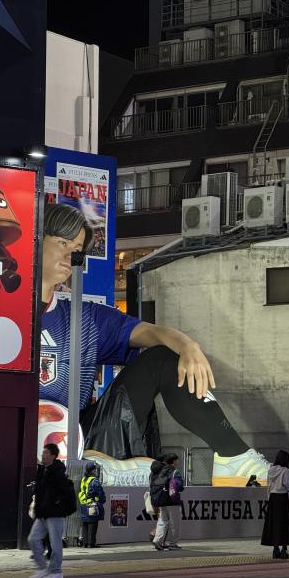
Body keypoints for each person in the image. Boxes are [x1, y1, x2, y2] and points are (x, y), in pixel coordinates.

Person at [39, 204, 269, 487]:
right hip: (18, 443)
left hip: (81, 440)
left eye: (76, 248)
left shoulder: (84, 318)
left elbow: (150, 332)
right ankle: (86, 467)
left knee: (163, 358)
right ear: (36, 240)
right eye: (62, 243)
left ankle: (234, 460)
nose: (70, 255)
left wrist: (187, 346)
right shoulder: (0, 316)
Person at [29, 443, 76, 578]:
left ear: (53, 456)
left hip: (55, 514)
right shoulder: (42, 470)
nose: (43, 455)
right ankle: (42, 567)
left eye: (46, 453)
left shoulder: (58, 472)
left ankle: (56, 571)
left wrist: (58, 505)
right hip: (43, 513)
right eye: (43, 453)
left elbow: (67, 492)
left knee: (55, 544)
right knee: (33, 539)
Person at [261, 450, 289, 560]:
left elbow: (268, 486)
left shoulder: (271, 470)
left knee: (274, 525)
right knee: (284, 524)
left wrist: (269, 498)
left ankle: (275, 550)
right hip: (282, 498)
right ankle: (284, 550)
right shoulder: (286, 471)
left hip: (273, 499)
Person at [150, 453, 184, 551]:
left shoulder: (158, 471)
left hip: (161, 500)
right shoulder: (174, 471)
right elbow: (179, 486)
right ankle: (173, 544)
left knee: (162, 521)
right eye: (177, 460)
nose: (178, 462)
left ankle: (158, 540)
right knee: (175, 523)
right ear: (173, 461)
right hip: (172, 501)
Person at [78, 462, 105, 549]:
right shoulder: (94, 481)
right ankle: (91, 543)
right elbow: (100, 493)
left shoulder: (83, 480)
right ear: (93, 471)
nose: (96, 471)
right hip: (92, 505)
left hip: (84, 505)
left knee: (85, 523)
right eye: (95, 469)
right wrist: (102, 500)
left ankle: (85, 543)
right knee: (93, 524)